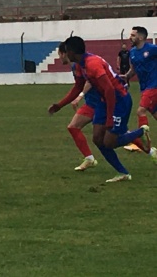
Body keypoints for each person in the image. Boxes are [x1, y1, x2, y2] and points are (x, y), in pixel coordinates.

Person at [48, 36, 150, 183]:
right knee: (97, 138)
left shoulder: (92, 64)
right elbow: (78, 87)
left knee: (109, 142)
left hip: (119, 100)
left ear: (70, 52)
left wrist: (109, 118)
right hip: (104, 100)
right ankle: (123, 173)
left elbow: (109, 90)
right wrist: (59, 105)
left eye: (66, 52)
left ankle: (139, 132)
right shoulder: (79, 65)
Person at [56, 42, 98, 171]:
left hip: (102, 102)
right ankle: (89, 159)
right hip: (91, 103)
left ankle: (150, 150)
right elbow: (78, 86)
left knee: (114, 136)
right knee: (73, 127)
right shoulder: (75, 66)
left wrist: (80, 96)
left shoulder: (82, 63)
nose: (59, 58)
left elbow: (90, 81)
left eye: (59, 55)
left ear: (64, 53)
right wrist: (60, 105)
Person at [122, 26, 157, 132]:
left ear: (141, 37)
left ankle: (146, 142)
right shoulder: (132, 52)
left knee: (140, 111)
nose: (130, 37)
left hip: (154, 85)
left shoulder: (152, 49)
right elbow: (133, 69)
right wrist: (126, 76)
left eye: (133, 35)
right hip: (144, 87)